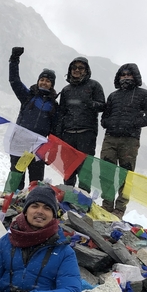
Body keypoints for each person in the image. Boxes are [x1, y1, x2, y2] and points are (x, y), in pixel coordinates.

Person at [100, 63, 147, 218]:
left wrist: (135, 123)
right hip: (110, 138)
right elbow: (104, 117)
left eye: (129, 74)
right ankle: (106, 205)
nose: (125, 77)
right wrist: (107, 123)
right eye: (123, 75)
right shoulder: (113, 96)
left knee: (125, 175)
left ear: (135, 76)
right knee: (106, 171)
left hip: (130, 140)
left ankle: (119, 209)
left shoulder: (144, 95)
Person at [8, 47, 59, 190]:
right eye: (42, 80)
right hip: (20, 144)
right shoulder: (28, 96)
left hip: (39, 148)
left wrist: (51, 151)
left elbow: (54, 131)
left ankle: (31, 206)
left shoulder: (54, 106)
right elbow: (14, 80)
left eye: (48, 81)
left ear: (52, 84)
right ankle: (10, 204)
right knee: (16, 177)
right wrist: (14, 59)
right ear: (38, 81)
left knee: (35, 181)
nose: (44, 83)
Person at [54, 56, 106, 192]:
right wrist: (58, 135)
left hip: (86, 133)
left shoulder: (94, 85)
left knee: (85, 170)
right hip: (68, 135)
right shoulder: (66, 90)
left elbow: (102, 106)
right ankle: (67, 196)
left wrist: (90, 103)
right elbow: (61, 113)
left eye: (80, 68)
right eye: (74, 68)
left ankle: (83, 201)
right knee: (68, 169)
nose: (77, 70)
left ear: (86, 70)